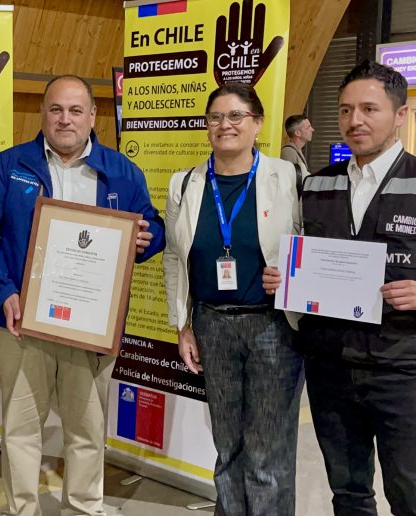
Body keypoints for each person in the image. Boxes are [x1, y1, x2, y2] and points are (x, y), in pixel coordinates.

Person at [278, 60, 416, 515]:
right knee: (348, 492)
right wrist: (286, 280)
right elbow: (302, 256)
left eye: (370, 108)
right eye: (346, 109)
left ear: (401, 114)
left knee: (413, 493)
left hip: (403, 368)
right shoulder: (317, 185)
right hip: (330, 363)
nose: (356, 121)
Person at [0, 75, 164, 516]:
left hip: (91, 327)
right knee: (20, 429)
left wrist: (149, 238)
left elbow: (152, 225)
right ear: (43, 114)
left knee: (87, 430)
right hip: (20, 322)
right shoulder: (10, 164)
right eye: (56, 109)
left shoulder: (122, 171)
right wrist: (2, 291)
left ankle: (82, 508)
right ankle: (23, 510)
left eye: (76, 110)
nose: (65, 119)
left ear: (93, 116)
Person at [164, 82, 303, 516]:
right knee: (227, 446)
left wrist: (294, 279)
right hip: (211, 323)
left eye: (236, 116)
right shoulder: (185, 183)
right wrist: (181, 324)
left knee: (266, 451)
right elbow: (173, 256)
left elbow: (312, 245)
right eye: (216, 118)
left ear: (257, 123)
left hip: (273, 326)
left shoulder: (288, 177)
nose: (225, 125)